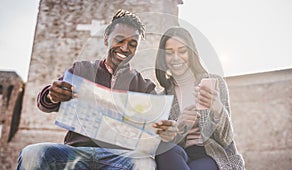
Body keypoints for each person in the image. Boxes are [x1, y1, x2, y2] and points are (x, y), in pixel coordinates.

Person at [17, 9, 157, 170]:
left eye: (132, 44)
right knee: (32, 153)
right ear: (106, 39)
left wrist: (163, 126)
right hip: (76, 151)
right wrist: (52, 96)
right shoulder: (81, 69)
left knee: (146, 164)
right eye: (119, 40)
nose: (125, 48)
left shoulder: (144, 86)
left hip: (118, 157)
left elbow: (157, 120)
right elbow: (45, 102)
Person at [152, 26, 245, 170]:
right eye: (169, 53)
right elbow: (161, 143)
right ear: (163, 58)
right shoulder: (163, 97)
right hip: (180, 154)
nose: (176, 58)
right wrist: (179, 125)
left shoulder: (214, 83)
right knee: (164, 149)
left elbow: (226, 139)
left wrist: (218, 109)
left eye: (182, 51)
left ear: (191, 53)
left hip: (212, 154)